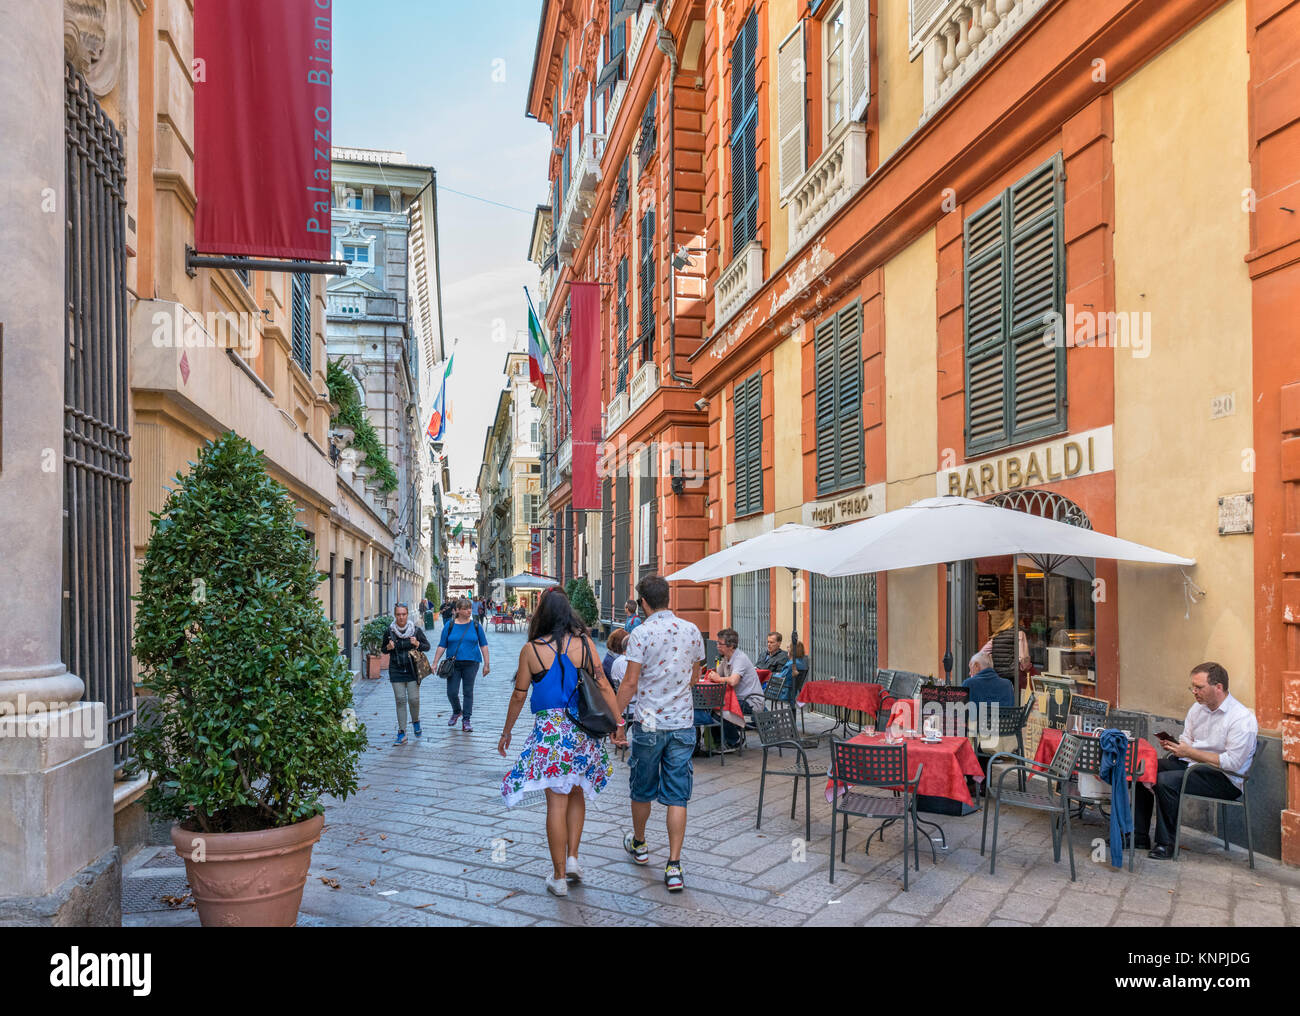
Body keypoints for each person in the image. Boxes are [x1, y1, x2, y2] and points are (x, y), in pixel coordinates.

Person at [499, 590, 618, 897]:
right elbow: (603, 682)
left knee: (556, 802)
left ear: (542, 615)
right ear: (569, 613)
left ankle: (559, 876)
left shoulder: (531, 650)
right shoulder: (585, 644)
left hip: (550, 734)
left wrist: (507, 732)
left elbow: (519, 695)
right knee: (576, 790)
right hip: (582, 732)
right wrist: (619, 724)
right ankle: (573, 858)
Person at [614, 574, 704, 893]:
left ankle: (639, 845)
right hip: (681, 722)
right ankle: (674, 865)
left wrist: (616, 719)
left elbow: (629, 683)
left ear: (644, 602)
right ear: (668, 598)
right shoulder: (692, 631)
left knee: (642, 786)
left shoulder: (641, 633)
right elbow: (695, 677)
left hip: (649, 722)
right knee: (678, 795)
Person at [1136, 662, 1259, 859]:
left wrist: (1190, 752)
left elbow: (1233, 763)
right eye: (1192, 687)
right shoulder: (1197, 708)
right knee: (1144, 769)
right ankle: (1138, 835)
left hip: (1226, 779)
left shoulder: (1241, 718)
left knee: (1166, 781)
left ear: (1218, 687)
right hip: (1193, 765)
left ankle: (1166, 845)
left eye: (1199, 687)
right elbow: (1187, 741)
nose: (1194, 691)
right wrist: (1176, 747)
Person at [430, 597, 490, 732]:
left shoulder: (475, 625)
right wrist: (434, 663)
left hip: (472, 662)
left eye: (469, 608)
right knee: (451, 692)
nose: (469, 610)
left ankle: (466, 720)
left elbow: (484, 645)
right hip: (453, 664)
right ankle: (457, 711)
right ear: (457, 610)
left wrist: (487, 664)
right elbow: (442, 645)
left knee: (468, 691)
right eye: (465, 608)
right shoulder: (449, 626)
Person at [384, 603, 430, 745]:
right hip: (396, 669)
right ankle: (402, 732)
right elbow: (383, 650)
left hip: (412, 669)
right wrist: (388, 647)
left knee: (414, 699)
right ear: (395, 615)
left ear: (407, 614)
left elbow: (427, 646)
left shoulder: (415, 630)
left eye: (403, 614)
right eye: (398, 614)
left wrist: (417, 644)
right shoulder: (390, 631)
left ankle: (415, 720)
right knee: (400, 700)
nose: (401, 617)